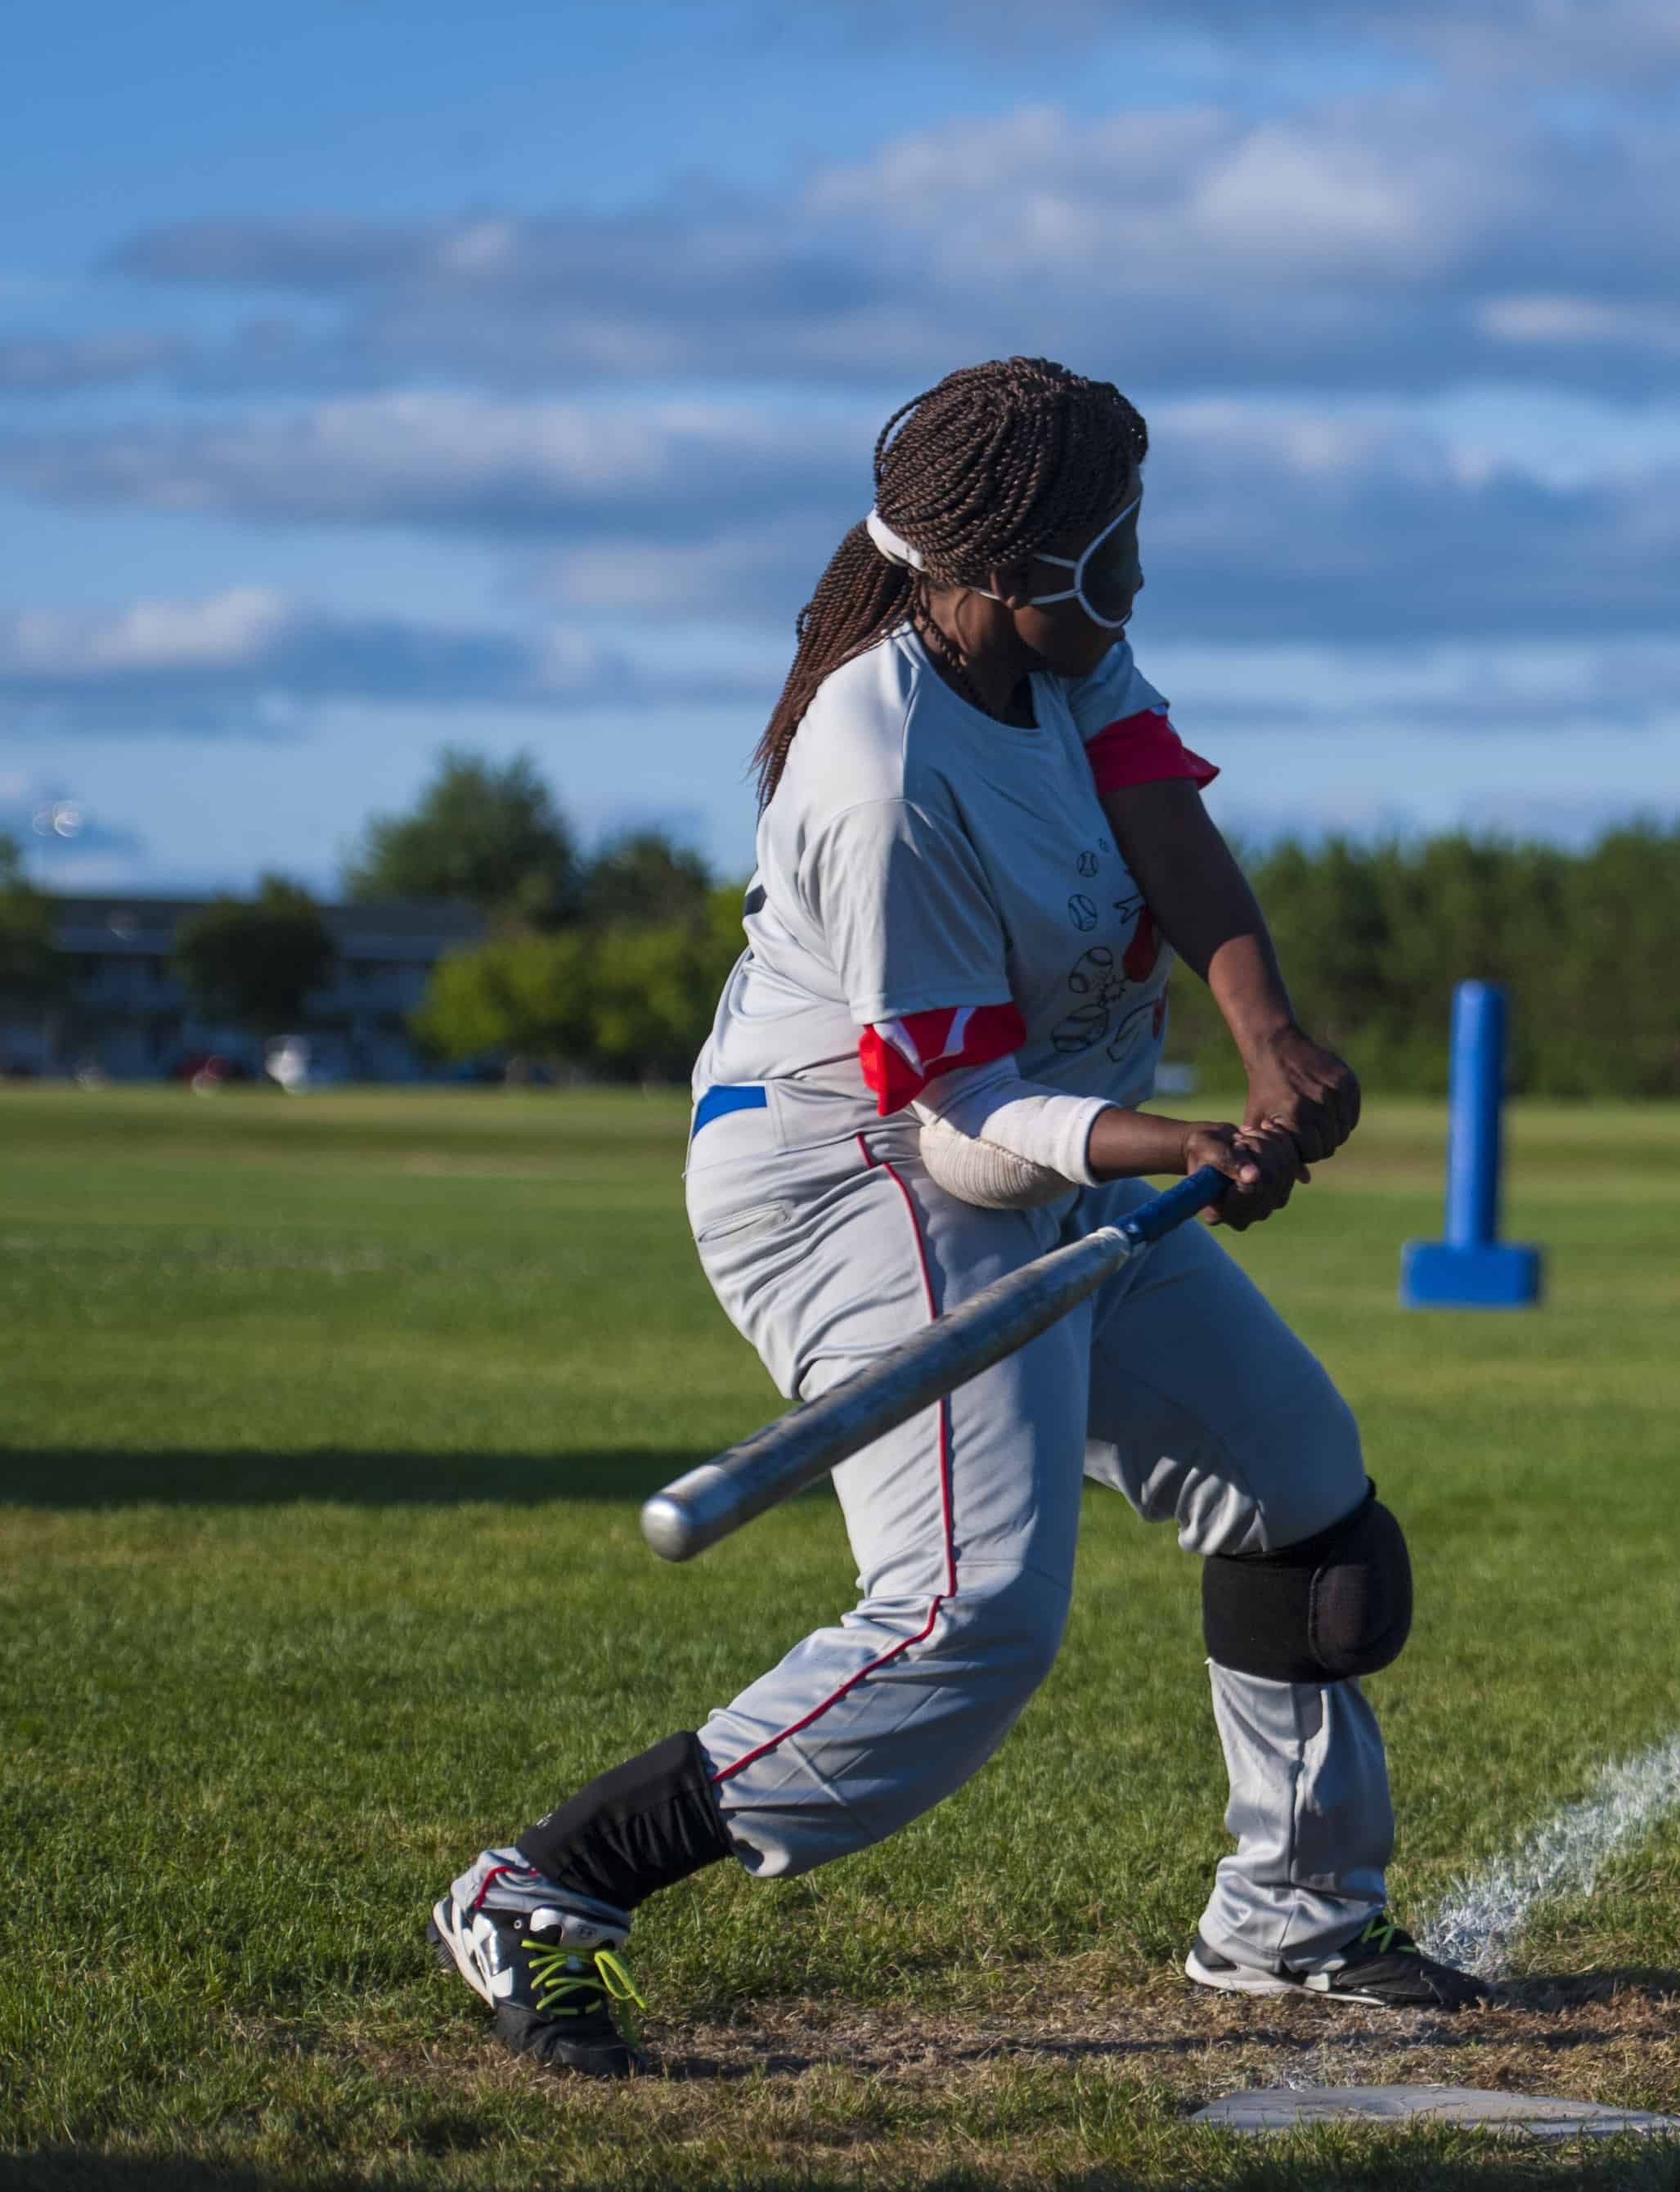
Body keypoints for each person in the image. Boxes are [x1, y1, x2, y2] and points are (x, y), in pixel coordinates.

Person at [429, 357, 1486, 2077]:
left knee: (1303, 1494)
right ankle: (543, 1887)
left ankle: (1291, 1920)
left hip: (1043, 1139)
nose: (1136, 573)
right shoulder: (878, 769)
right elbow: (970, 1134)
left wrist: (1270, 1036)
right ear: (1006, 569)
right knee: (966, 1615)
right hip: (854, 1174)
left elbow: (1167, 829)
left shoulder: (1063, 657)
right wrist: (1180, 1143)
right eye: (1113, 544)